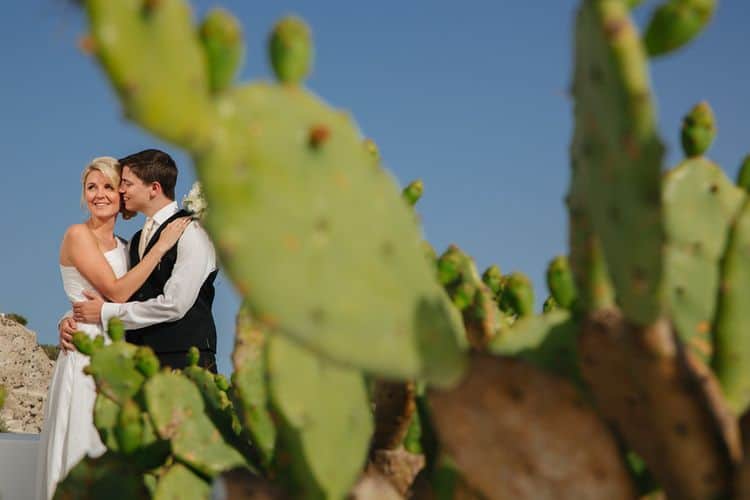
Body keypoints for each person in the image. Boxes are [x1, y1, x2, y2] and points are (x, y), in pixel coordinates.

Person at [37, 156, 190, 500]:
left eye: (109, 186)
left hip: (120, 352)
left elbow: (119, 301)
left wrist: (65, 316)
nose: (100, 194)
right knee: (82, 443)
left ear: (122, 196)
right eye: (92, 187)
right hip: (86, 353)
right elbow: (117, 291)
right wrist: (163, 246)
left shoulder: (127, 246)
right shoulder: (77, 235)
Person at [60, 148, 219, 372]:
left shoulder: (191, 230)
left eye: (126, 184)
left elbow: (175, 304)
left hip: (185, 362)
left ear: (154, 188)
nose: (122, 190)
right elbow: (108, 291)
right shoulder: (135, 242)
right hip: (138, 362)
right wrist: (70, 317)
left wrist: (105, 313)